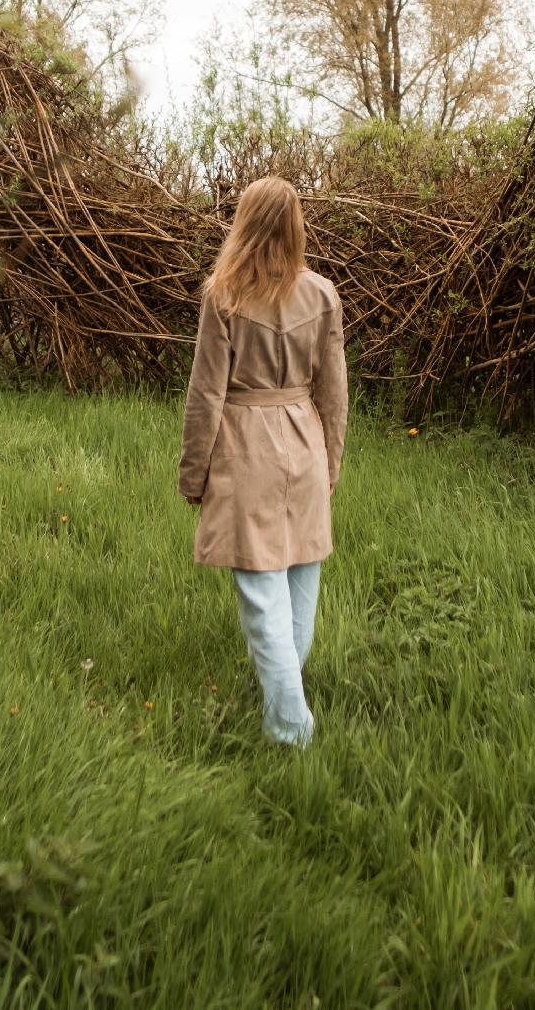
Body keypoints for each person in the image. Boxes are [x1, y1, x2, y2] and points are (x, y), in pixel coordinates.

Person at [178, 176, 348, 747]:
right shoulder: (322, 293)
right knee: (300, 583)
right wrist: (330, 464)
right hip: (304, 442)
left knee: (262, 596)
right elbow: (335, 392)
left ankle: (290, 727)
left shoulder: (224, 295)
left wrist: (194, 473)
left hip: (246, 444)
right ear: (296, 224)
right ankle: (287, 698)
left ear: (245, 223)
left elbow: (206, 394)